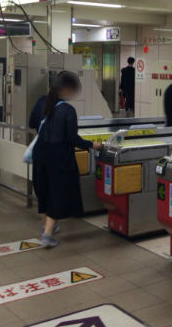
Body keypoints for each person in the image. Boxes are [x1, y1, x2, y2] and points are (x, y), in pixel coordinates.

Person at [32, 71, 102, 247]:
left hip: (40, 154)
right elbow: (73, 138)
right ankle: (47, 234)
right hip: (59, 157)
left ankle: (46, 226)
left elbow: (32, 124)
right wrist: (92, 145)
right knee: (57, 193)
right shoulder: (67, 110)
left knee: (44, 191)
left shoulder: (42, 102)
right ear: (66, 90)